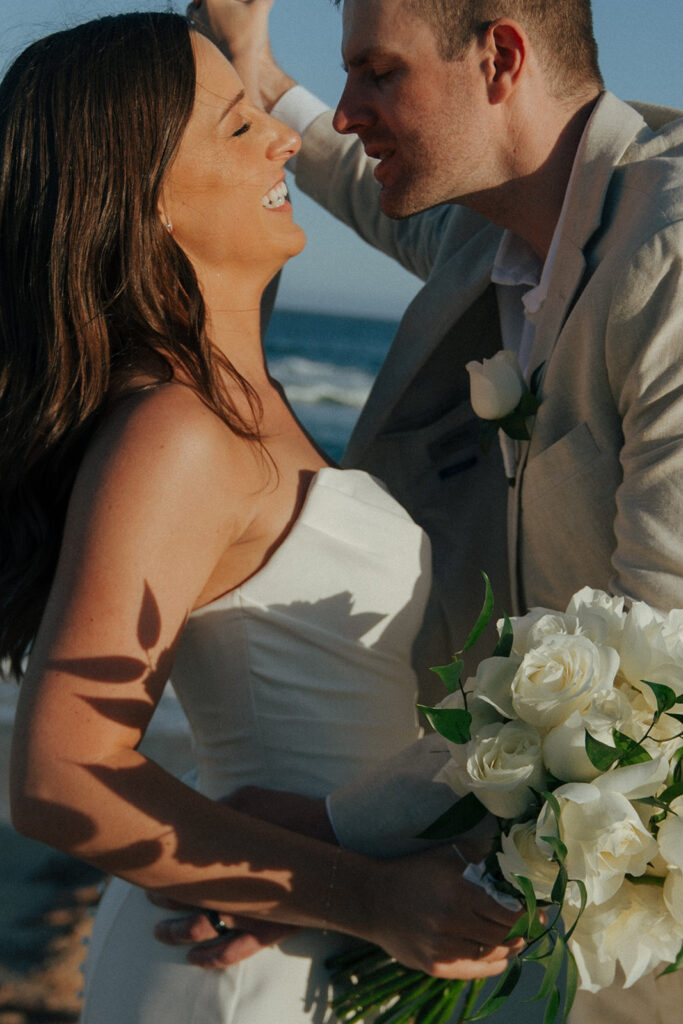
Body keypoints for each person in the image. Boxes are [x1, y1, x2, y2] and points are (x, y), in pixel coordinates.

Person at [1, 11, 524, 1024]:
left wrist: (236, 40)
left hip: (316, 947)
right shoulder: (178, 434)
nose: (289, 136)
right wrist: (367, 897)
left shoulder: (241, 399)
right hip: (243, 968)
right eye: (238, 128)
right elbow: (60, 771)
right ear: (145, 196)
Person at [170, 1, 683, 1021]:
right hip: (552, 878)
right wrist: (259, 77)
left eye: (377, 73)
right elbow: (372, 191)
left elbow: (661, 636)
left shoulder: (665, 254)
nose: (350, 109)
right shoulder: (501, 220)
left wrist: (330, 827)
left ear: (497, 57)